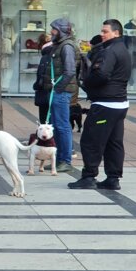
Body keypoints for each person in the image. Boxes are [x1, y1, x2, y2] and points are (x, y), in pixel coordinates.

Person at [71, 19, 132, 190]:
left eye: (105, 31)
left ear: (116, 33)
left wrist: (86, 82)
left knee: (91, 141)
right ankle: (113, 178)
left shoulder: (110, 51)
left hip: (106, 104)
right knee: (114, 142)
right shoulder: (122, 49)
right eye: (102, 31)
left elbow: (102, 75)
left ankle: (89, 176)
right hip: (119, 104)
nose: (102, 35)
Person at [49, 18, 80, 173]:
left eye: (53, 29)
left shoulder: (66, 46)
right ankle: (59, 159)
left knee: (62, 127)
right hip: (60, 90)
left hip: (62, 92)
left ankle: (65, 160)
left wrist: (59, 89)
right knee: (57, 126)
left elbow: (69, 71)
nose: (51, 32)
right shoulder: (60, 45)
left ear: (61, 30)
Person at [34, 36, 55, 124]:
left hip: (46, 91)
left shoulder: (45, 56)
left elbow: (40, 75)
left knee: (45, 118)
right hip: (56, 90)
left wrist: (36, 86)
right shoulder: (57, 53)